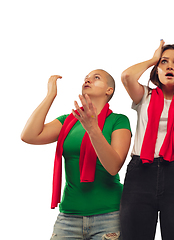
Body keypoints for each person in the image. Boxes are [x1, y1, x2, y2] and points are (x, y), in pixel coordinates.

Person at [21, 69, 132, 240]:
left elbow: (113, 166)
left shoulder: (119, 120)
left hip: (109, 216)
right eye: (86, 78)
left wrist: (93, 129)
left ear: (109, 90)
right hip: (68, 217)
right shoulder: (68, 120)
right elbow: (29, 135)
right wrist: (51, 95)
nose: (88, 80)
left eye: (96, 78)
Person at [120, 39, 174, 240]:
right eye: (164, 62)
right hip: (141, 172)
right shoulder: (144, 96)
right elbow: (126, 76)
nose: (170, 66)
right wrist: (152, 59)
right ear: (157, 69)